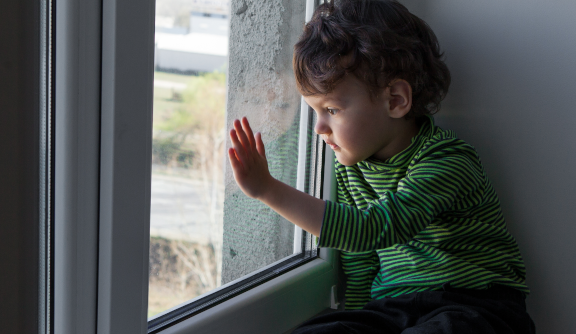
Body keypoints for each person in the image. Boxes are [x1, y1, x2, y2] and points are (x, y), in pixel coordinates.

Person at [226, 0, 535, 333]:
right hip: (395, 307)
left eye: (331, 109)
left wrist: (268, 189)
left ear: (396, 101)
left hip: (475, 306)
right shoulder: (348, 171)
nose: (318, 128)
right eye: (314, 110)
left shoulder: (447, 161)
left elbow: (373, 229)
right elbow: (360, 265)